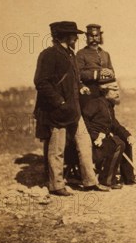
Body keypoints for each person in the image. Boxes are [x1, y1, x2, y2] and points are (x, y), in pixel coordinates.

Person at [33, 21, 109, 196]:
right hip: (56, 112)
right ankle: (56, 185)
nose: (77, 38)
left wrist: (81, 86)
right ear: (65, 36)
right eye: (74, 35)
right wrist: (59, 102)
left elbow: (74, 79)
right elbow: (41, 83)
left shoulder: (70, 55)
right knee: (57, 149)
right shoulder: (49, 55)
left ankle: (90, 181)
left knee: (84, 143)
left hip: (73, 111)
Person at [82, 79, 136, 188]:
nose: (117, 93)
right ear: (105, 91)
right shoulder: (95, 103)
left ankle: (128, 177)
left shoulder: (109, 106)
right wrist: (94, 137)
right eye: (113, 90)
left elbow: (115, 125)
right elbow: (84, 121)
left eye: (117, 90)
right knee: (118, 144)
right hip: (93, 142)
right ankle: (107, 180)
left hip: (102, 139)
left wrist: (128, 135)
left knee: (125, 141)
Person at [76, 24, 115, 107]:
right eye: (91, 36)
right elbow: (78, 73)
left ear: (100, 36)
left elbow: (112, 72)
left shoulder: (105, 54)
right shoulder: (81, 54)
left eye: (96, 35)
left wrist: (110, 73)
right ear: (86, 37)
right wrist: (97, 74)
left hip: (105, 94)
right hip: (90, 93)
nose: (94, 38)